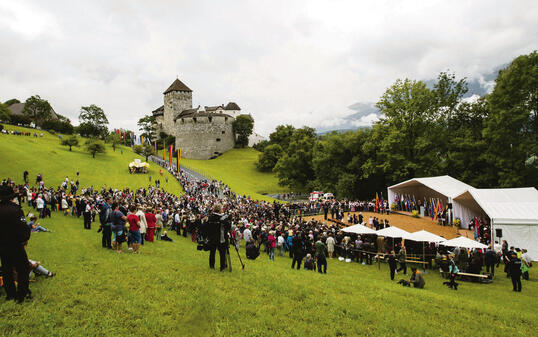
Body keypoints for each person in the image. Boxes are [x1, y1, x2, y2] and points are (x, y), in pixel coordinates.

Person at [0, 184, 32, 303]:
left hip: (2, 246)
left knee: (6, 269)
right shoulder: (15, 209)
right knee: (23, 269)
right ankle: (22, 294)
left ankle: (10, 294)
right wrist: (24, 239)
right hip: (15, 244)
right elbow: (23, 228)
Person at [206, 204, 229, 271]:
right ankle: (222, 267)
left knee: (212, 252)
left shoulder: (210, 217)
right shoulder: (222, 218)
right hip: (220, 237)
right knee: (222, 253)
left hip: (212, 237)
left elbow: (207, 227)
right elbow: (227, 226)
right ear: (219, 210)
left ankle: (211, 266)